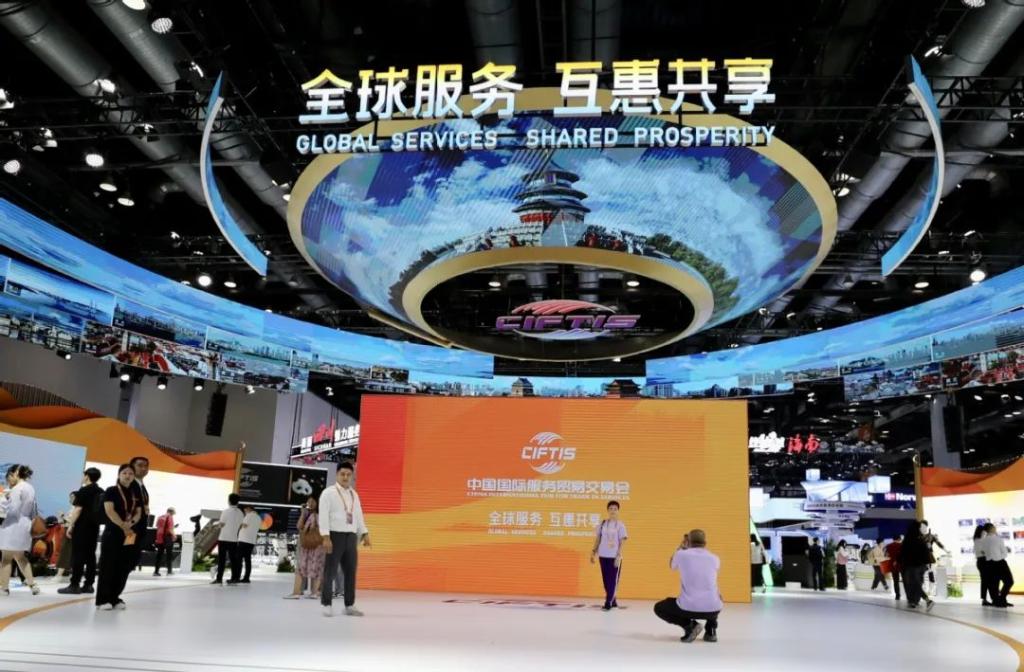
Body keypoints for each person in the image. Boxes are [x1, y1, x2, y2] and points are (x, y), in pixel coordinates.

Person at [319, 462, 371, 617]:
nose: (345, 477)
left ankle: (349, 605)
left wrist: (365, 533)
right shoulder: (328, 493)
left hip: (351, 536)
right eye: (342, 474)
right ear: (337, 475)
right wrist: (326, 537)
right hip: (334, 535)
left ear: (352, 476)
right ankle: (327, 604)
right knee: (330, 571)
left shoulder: (354, 495)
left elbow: (358, 516)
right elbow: (323, 516)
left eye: (348, 474)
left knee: (350, 572)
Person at [654, 529, 722, 643]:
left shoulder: (681, 554)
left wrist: (681, 547)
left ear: (688, 541)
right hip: (713, 609)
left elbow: (671, 565)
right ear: (705, 543)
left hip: (688, 608)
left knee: (659, 608)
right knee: (714, 595)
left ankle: (690, 626)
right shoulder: (715, 558)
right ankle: (711, 630)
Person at [96, 464, 142, 610]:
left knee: (123, 567)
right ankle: (103, 600)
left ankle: (115, 597)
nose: (127, 476)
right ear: (119, 475)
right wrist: (123, 525)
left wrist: (131, 523)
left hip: (129, 534)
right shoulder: (112, 490)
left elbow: (138, 512)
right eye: (124, 473)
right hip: (113, 532)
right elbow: (109, 511)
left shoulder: (135, 493)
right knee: (108, 566)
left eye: (130, 473)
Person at [58, 467, 103, 595]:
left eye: (83, 475)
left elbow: (78, 509)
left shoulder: (84, 490)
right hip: (94, 527)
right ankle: (89, 585)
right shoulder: (100, 491)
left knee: (78, 555)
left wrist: (70, 525)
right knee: (90, 556)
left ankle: (74, 584)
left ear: (87, 476)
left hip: (82, 527)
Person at [0, 465, 40, 596]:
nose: (8, 481)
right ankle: (33, 585)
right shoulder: (30, 488)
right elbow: (34, 510)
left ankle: (4, 588)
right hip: (25, 525)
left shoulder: (17, 489)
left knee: (6, 559)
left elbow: (12, 510)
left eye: (9, 477)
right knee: (21, 557)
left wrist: (3, 499)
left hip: (12, 525)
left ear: (15, 473)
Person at [591, 500, 628, 610]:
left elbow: (622, 541)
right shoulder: (603, 524)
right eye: (611, 508)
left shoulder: (620, 525)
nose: (613, 511)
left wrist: (618, 555)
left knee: (613, 580)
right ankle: (613, 599)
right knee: (606, 581)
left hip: (614, 556)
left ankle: (608, 602)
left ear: (618, 511)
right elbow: (598, 538)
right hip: (603, 555)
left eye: (615, 509)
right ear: (607, 510)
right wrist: (593, 552)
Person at [285, 497, 325, 599]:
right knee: (317, 568)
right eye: (308, 502)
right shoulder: (322, 515)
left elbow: (300, 527)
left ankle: (296, 593)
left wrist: (303, 514)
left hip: (308, 545)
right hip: (318, 544)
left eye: (311, 502)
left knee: (301, 568)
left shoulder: (311, 516)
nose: (309, 503)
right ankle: (314, 593)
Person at [901, 520, 934, 612]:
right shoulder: (920, 539)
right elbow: (926, 552)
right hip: (922, 566)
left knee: (914, 585)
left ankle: (927, 600)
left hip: (912, 566)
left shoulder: (908, 540)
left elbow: (903, 554)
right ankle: (914, 601)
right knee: (917, 584)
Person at [211, 494, 243, 585]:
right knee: (233, 560)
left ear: (229, 501)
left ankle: (219, 579)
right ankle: (234, 578)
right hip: (234, 539)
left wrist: (215, 524)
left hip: (223, 538)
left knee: (221, 559)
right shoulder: (240, 513)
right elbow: (241, 526)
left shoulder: (226, 511)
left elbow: (222, 524)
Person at [981, 522, 1015, 608]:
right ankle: (1002, 599)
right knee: (1009, 581)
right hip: (1000, 563)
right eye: (994, 527)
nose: (995, 528)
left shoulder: (983, 541)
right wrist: (999, 557)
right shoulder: (998, 539)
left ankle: (997, 601)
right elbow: (1004, 553)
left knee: (994, 584)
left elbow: (983, 552)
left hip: (989, 564)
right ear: (991, 529)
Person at [128, 457, 151, 573]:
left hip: (139, 529)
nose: (143, 468)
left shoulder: (141, 486)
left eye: (146, 466)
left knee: (131, 559)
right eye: (140, 465)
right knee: (126, 557)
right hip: (130, 529)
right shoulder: (129, 484)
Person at [237, 504, 261, 583]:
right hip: (251, 541)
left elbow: (244, 525)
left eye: (245, 510)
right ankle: (246, 578)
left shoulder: (249, 515)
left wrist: (239, 523)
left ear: (248, 509)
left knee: (239, 559)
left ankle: (237, 577)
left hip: (244, 540)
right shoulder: (258, 517)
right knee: (248, 560)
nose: (245, 512)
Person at [973, 525, 993, 606]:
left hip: (981, 561)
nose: (985, 533)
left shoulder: (976, 540)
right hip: (983, 561)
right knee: (986, 581)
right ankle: (985, 599)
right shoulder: (979, 541)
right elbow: (983, 551)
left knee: (985, 581)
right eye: (984, 532)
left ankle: (985, 599)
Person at [153, 507, 176, 577]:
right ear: (172, 512)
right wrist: (174, 536)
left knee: (159, 555)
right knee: (169, 555)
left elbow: (157, 526)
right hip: (167, 537)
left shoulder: (160, 517)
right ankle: (169, 571)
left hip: (160, 537)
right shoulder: (170, 517)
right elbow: (170, 529)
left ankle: (156, 571)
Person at [885, 535, 904, 601]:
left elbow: (886, 555)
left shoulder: (888, 546)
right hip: (901, 565)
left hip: (893, 566)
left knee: (896, 581)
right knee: (905, 580)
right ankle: (909, 595)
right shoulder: (902, 545)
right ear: (899, 539)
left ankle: (897, 595)